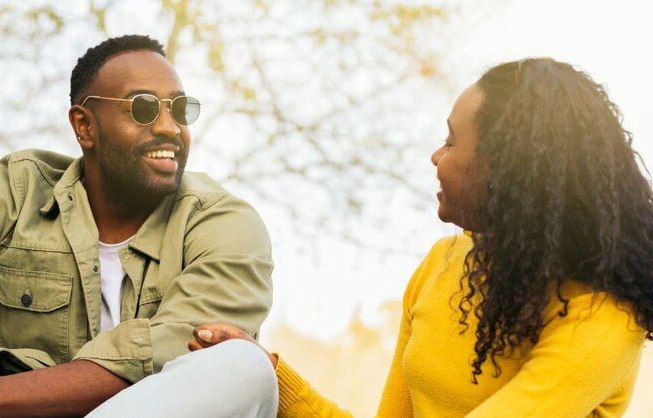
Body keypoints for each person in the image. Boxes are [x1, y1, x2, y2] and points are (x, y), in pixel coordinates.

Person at [189, 57, 653, 417]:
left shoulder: (604, 317)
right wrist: (267, 372)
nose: (436, 156)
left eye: (451, 141)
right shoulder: (445, 262)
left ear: (509, 171)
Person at [0, 35, 277, 417]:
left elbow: (163, 352)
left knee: (243, 364)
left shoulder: (224, 222)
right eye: (143, 108)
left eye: (180, 108)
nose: (169, 127)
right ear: (84, 126)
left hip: (0, 406)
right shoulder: (19, 196)